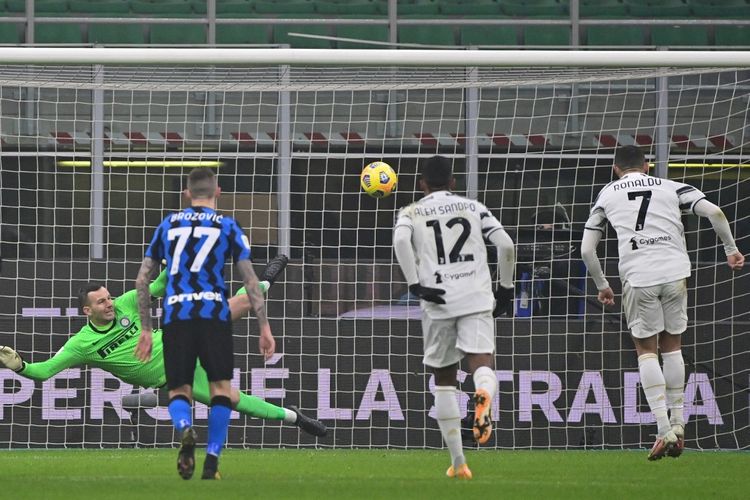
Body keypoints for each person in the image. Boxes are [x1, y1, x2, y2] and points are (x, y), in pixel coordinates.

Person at [0, 255, 327, 443]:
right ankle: (294, 417)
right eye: (101, 301)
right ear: (87, 311)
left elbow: (157, 286)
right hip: (175, 381)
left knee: (228, 307)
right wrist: (21, 367)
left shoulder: (128, 302)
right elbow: (45, 372)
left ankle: (266, 280)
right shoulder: (80, 345)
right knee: (233, 400)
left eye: (109, 297)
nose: (110, 303)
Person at [580, 145, 745, 461]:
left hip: (639, 276)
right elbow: (715, 212)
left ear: (616, 169)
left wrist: (603, 285)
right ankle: (680, 423)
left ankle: (663, 428)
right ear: (646, 166)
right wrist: (731, 250)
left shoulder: (609, 194)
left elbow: (588, 250)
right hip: (676, 272)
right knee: (672, 348)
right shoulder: (672, 187)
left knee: (646, 351)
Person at [134, 167, 269, 480]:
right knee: (221, 388)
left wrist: (144, 328)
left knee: (179, 389)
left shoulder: (168, 225)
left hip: (177, 315)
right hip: (213, 314)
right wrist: (263, 325)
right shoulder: (228, 226)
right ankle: (211, 458)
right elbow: (250, 281)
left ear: (186, 194)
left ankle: (184, 428)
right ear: (217, 192)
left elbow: (143, 279)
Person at [392, 155, 515, 480]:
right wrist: (505, 288)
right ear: (453, 182)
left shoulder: (411, 212)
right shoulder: (474, 208)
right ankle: (484, 395)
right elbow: (505, 244)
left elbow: (401, 240)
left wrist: (415, 285)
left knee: (444, 380)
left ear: (422, 185)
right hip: (475, 295)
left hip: (438, 299)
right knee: (482, 363)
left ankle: (459, 463)